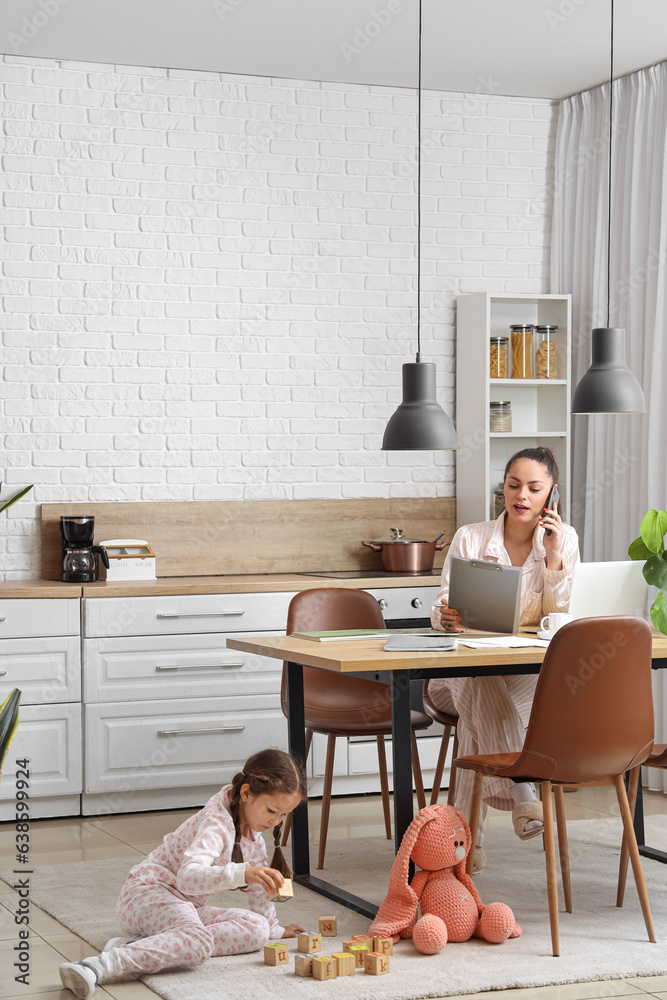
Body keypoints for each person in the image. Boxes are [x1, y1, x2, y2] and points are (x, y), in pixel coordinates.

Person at [428, 447, 580, 872]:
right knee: (479, 683)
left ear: (551, 494)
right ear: (503, 488)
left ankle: (461, 842)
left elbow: (560, 616)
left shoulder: (563, 539)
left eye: (534, 488)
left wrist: (552, 558)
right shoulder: (471, 537)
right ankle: (523, 794)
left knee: (480, 720)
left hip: (525, 674)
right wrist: (446, 613)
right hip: (457, 671)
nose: (522, 496)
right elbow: (443, 599)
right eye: (514, 485)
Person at [59, 749, 306, 998]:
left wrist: (274, 928)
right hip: (147, 894)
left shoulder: (253, 836)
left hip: (185, 906)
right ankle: (98, 965)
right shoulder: (216, 825)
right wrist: (241, 873)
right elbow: (188, 878)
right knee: (198, 944)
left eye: (284, 815)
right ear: (245, 794)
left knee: (257, 929)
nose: (276, 821)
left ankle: (142, 945)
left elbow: (258, 890)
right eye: (272, 811)